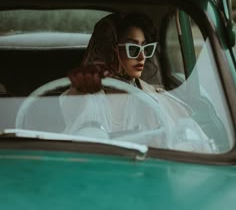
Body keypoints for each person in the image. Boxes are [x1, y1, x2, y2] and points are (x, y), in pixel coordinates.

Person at [60, 12, 216, 152]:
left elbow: (188, 142)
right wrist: (82, 86)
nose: (142, 57)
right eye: (133, 48)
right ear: (110, 50)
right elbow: (71, 106)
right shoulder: (87, 92)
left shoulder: (152, 98)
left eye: (146, 48)